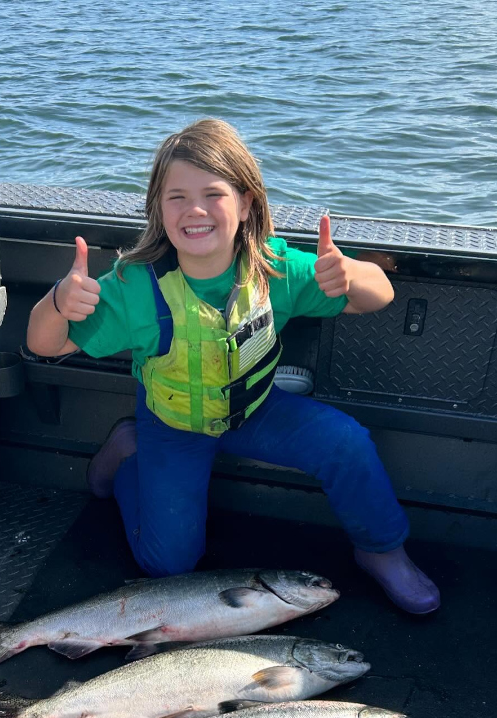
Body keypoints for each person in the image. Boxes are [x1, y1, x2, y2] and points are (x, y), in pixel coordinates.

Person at [26, 119, 439, 614]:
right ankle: (128, 454)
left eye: (213, 194)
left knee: (345, 440)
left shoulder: (276, 268)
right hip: (172, 425)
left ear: (245, 203)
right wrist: (56, 303)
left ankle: (381, 550)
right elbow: (44, 345)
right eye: (175, 196)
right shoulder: (134, 288)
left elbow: (377, 296)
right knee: (168, 568)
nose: (194, 209)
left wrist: (351, 273)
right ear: (158, 207)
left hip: (255, 413)